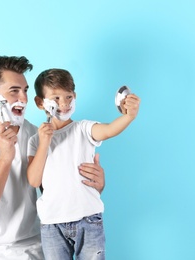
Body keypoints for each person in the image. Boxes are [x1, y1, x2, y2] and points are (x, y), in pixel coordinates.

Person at [0, 56, 106, 260]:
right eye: (14, 91)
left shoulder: (37, 136)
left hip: (33, 249)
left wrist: (94, 184)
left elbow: (60, 188)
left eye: (25, 90)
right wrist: (5, 158)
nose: (24, 98)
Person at [27, 68, 140, 260]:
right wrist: (44, 143)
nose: (63, 104)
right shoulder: (35, 141)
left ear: (75, 96)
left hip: (88, 219)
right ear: (40, 103)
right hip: (52, 224)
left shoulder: (84, 129)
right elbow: (34, 180)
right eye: (55, 98)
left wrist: (128, 116)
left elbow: (109, 130)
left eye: (68, 97)